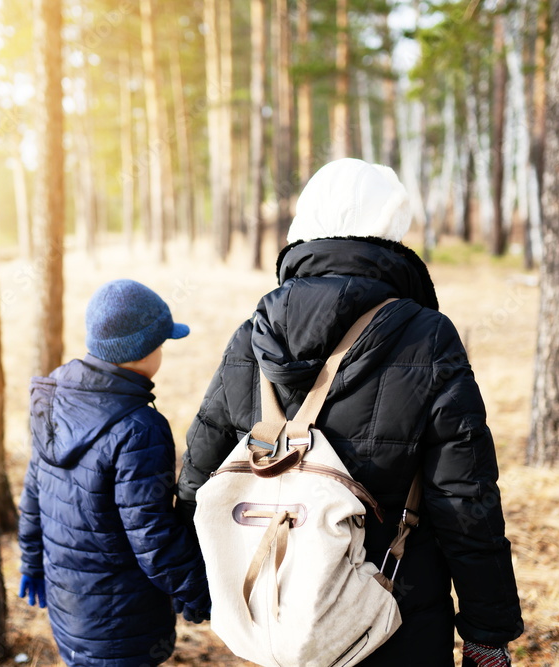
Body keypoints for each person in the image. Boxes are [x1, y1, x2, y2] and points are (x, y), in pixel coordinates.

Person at [176, 158, 523, 666]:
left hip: (281, 617)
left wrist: (194, 585)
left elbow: (200, 476)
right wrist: (486, 632)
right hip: (393, 613)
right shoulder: (428, 336)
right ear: (394, 232)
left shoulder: (251, 335)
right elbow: (465, 500)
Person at [18, 279, 211, 667]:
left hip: (68, 610)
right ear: (143, 351)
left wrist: (31, 561)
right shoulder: (141, 428)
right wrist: (197, 591)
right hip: (123, 622)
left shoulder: (56, 396)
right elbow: (152, 533)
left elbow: (34, 494)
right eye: (161, 343)